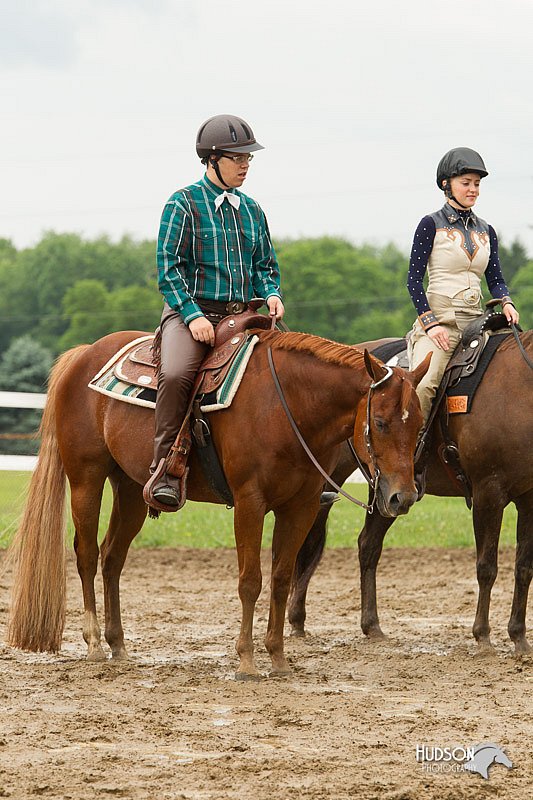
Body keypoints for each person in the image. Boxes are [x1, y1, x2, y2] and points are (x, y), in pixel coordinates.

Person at [148, 114, 284, 507]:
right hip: (192, 313)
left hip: (246, 314)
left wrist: (271, 293)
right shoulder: (183, 203)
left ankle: (301, 472)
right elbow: (167, 268)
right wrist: (191, 317)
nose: (245, 165)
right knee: (175, 375)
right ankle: (165, 470)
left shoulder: (253, 210)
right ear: (211, 159)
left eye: (248, 158)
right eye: (237, 157)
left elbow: (265, 267)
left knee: (297, 370)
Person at [406, 147, 520, 424]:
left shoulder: (487, 230)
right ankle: (412, 455)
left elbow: (495, 278)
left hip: (476, 325)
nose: (473, 190)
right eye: (466, 183)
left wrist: (506, 301)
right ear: (447, 185)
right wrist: (431, 325)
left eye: (477, 184)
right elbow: (413, 281)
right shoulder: (429, 224)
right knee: (423, 386)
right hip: (440, 325)